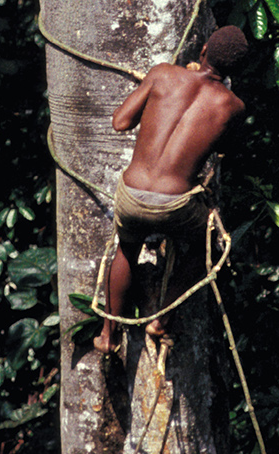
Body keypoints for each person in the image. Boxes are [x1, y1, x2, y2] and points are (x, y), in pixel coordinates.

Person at [93, 25, 249, 355]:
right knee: (212, 245)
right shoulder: (232, 106)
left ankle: (108, 335)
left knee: (127, 248)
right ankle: (161, 319)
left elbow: (120, 122)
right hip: (175, 204)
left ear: (203, 49)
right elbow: (227, 150)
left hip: (133, 193)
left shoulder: (163, 74)